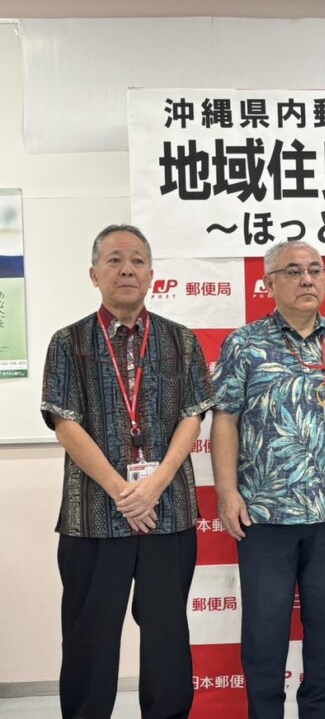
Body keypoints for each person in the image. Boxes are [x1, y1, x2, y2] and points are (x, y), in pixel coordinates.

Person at [41, 224, 213, 719]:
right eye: (114, 260)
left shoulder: (181, 340)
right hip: (94, 517)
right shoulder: (68, 342)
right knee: (89, 638)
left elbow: (193, 415)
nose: (126, 269)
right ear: (94, 274)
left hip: (168, 513)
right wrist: (123, 492)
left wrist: (153, 486)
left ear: (152, 275)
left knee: (166, 636)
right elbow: (64, 422)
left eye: (137, 260)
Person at [211, 241, 325, 719]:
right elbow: (225, 418)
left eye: (315, 270)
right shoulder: (244, 343)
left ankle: (318, 712)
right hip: (264, 512)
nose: (307, 279)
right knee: (264, 630)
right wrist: (227, 492)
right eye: (293, 271)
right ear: (268, 283)